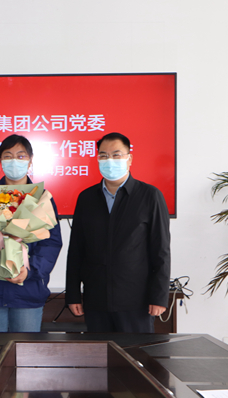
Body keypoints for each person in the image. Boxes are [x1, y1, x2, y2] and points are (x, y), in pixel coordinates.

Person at [65, 132, 170, 333]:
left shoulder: (150, 196)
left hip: (136, 301)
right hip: (96, 299)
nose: (109, 160)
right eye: (103, 155)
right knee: (99, 352)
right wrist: (73, 294)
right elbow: (76, 250)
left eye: (116, 155)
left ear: (129, 159)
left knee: (135, 352)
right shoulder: (87, 198)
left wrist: (159, 297)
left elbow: (161, 250)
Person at [0, 134, 63, 332]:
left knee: (24, 350)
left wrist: (30, 270)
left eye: (20, 156)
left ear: (30, 160)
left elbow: (51, 243)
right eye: (8, 156)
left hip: (28, 292)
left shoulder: (42, 198)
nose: (14, 161)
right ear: (0, 161)